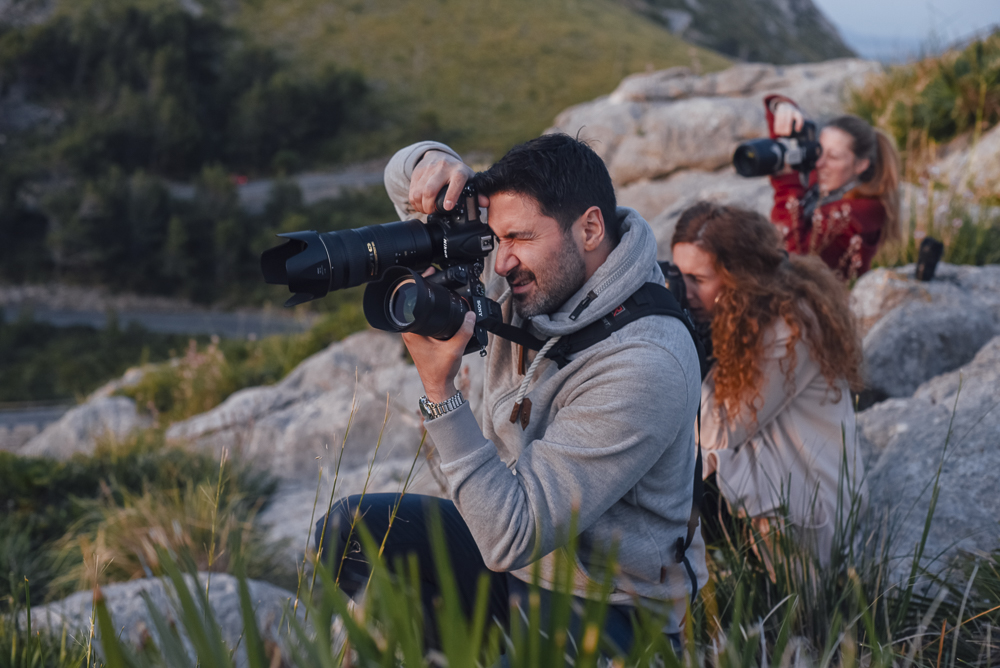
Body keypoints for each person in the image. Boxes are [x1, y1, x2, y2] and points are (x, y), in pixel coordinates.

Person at [315, 135, 706, 654]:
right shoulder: (533, 274)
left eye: (518, 237)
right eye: (495, 239)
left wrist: (441, 393)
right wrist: (434, 162)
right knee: (348, 531)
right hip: (516, 565)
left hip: (613, 607)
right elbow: (401, 181)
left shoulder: (645, 361)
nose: (500, 264)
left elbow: (510, 536)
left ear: (590, 228)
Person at [670, 201, 867, 568]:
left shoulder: (790, 327)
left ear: (739, 277)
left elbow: (718, 431)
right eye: (678, 277)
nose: (685, 292)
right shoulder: (730, 319)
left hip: (804, 513)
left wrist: (680, 344)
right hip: (768, 485)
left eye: (698, 280)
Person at [765, 94, 901, 280]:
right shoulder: (832, 185)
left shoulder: (860, 214)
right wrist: (783, 108)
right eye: (819, 151)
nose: (819, 164)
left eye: (834, 156)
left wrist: (787, 186)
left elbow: (794, 262)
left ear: (861, 165)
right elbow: (785, 145)